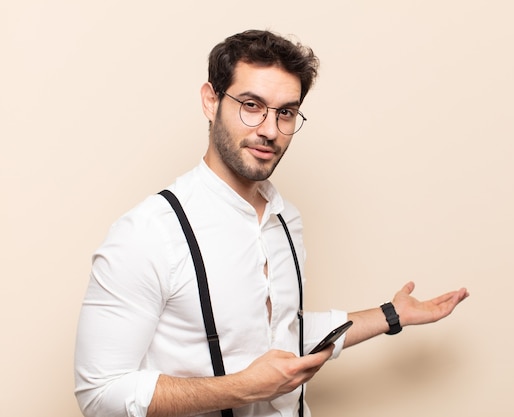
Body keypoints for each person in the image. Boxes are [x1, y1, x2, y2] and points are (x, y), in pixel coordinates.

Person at [74, 29, 469, 417]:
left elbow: (278, 331)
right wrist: (243, 387)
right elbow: (100, 393)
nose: (269, 130)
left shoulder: (285, 218)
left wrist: (391, 315)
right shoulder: (149, 233)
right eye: (251, 105)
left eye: (286, 112)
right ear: (211, 102)